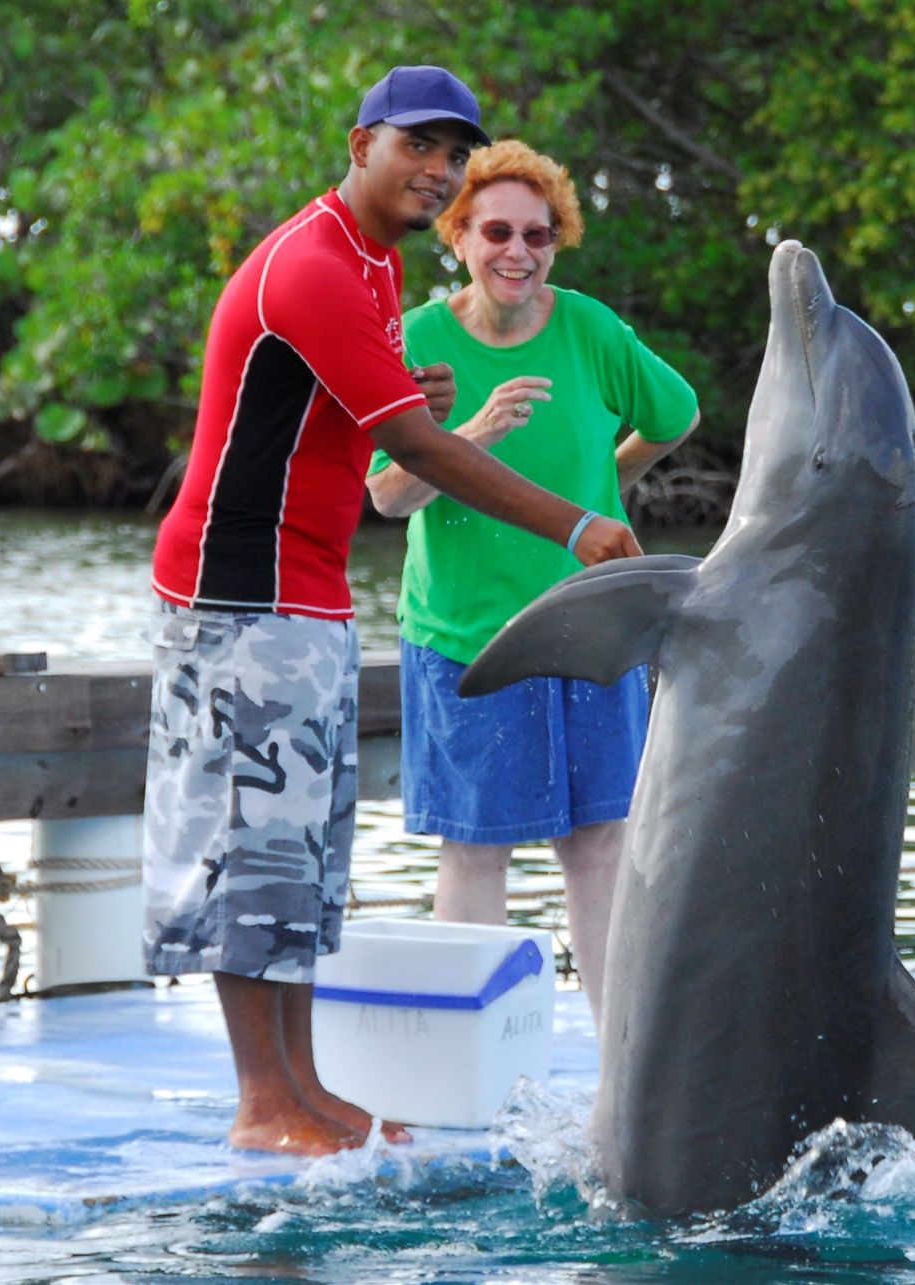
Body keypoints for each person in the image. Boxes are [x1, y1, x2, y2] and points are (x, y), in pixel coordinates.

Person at [145, 67, 643, 1157]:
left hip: (310, 585)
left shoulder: (377, 263)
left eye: (454, 153)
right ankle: (263, 1101)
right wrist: (576, 526)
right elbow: (416, 454)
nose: (438, 169)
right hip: (237, 588)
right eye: (419, 145)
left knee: (304, 855)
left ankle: (308, 1086)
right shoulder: (317, 265)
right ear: (361, 143)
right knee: (250, 847)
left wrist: (417, 403)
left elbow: (360, 421)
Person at [366, 141, 699, 1031]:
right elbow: (388, 495)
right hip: (466, 639)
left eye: (538, 235)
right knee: (476, 850)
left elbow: (676, 415)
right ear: (458, 236)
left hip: (592, 635)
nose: (518, 251)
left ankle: (623, 1063)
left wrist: (604, 485)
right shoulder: (417, 339)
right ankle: (468, 1058)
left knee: (600, 845)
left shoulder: (591, 329)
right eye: (497, 232)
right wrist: (470, 434)